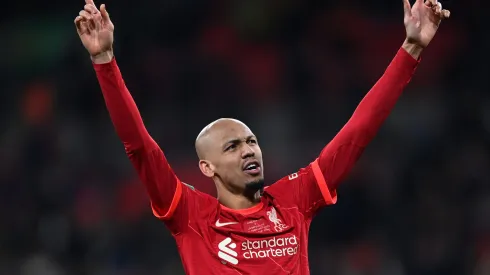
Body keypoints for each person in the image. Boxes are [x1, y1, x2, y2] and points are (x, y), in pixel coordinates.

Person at [74, 0, 450, 274]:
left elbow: (357, 133)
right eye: (233, 146)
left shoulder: (294, 201)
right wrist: (104, 61)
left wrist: (411, 48)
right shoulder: (191, 215)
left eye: (252, 141)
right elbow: (139, 146)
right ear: (207, 167)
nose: (249, 150)